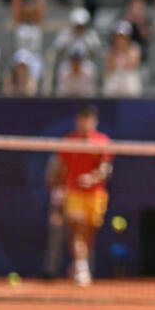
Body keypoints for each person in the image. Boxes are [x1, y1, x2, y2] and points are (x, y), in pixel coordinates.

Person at [47, 105, 113, 286]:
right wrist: (58, 190)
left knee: (88, 234)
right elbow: (60, 167)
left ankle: (78, 262)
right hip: (74, 192)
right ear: (78, 121)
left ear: (94, 122)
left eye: (89, 120)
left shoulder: (103, 141)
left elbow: (105, 168)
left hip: (96, 195)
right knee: (78, 229)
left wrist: (92, 178)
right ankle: (82, 268)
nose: (85, 123)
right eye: (82, 120)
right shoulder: (69, 141)